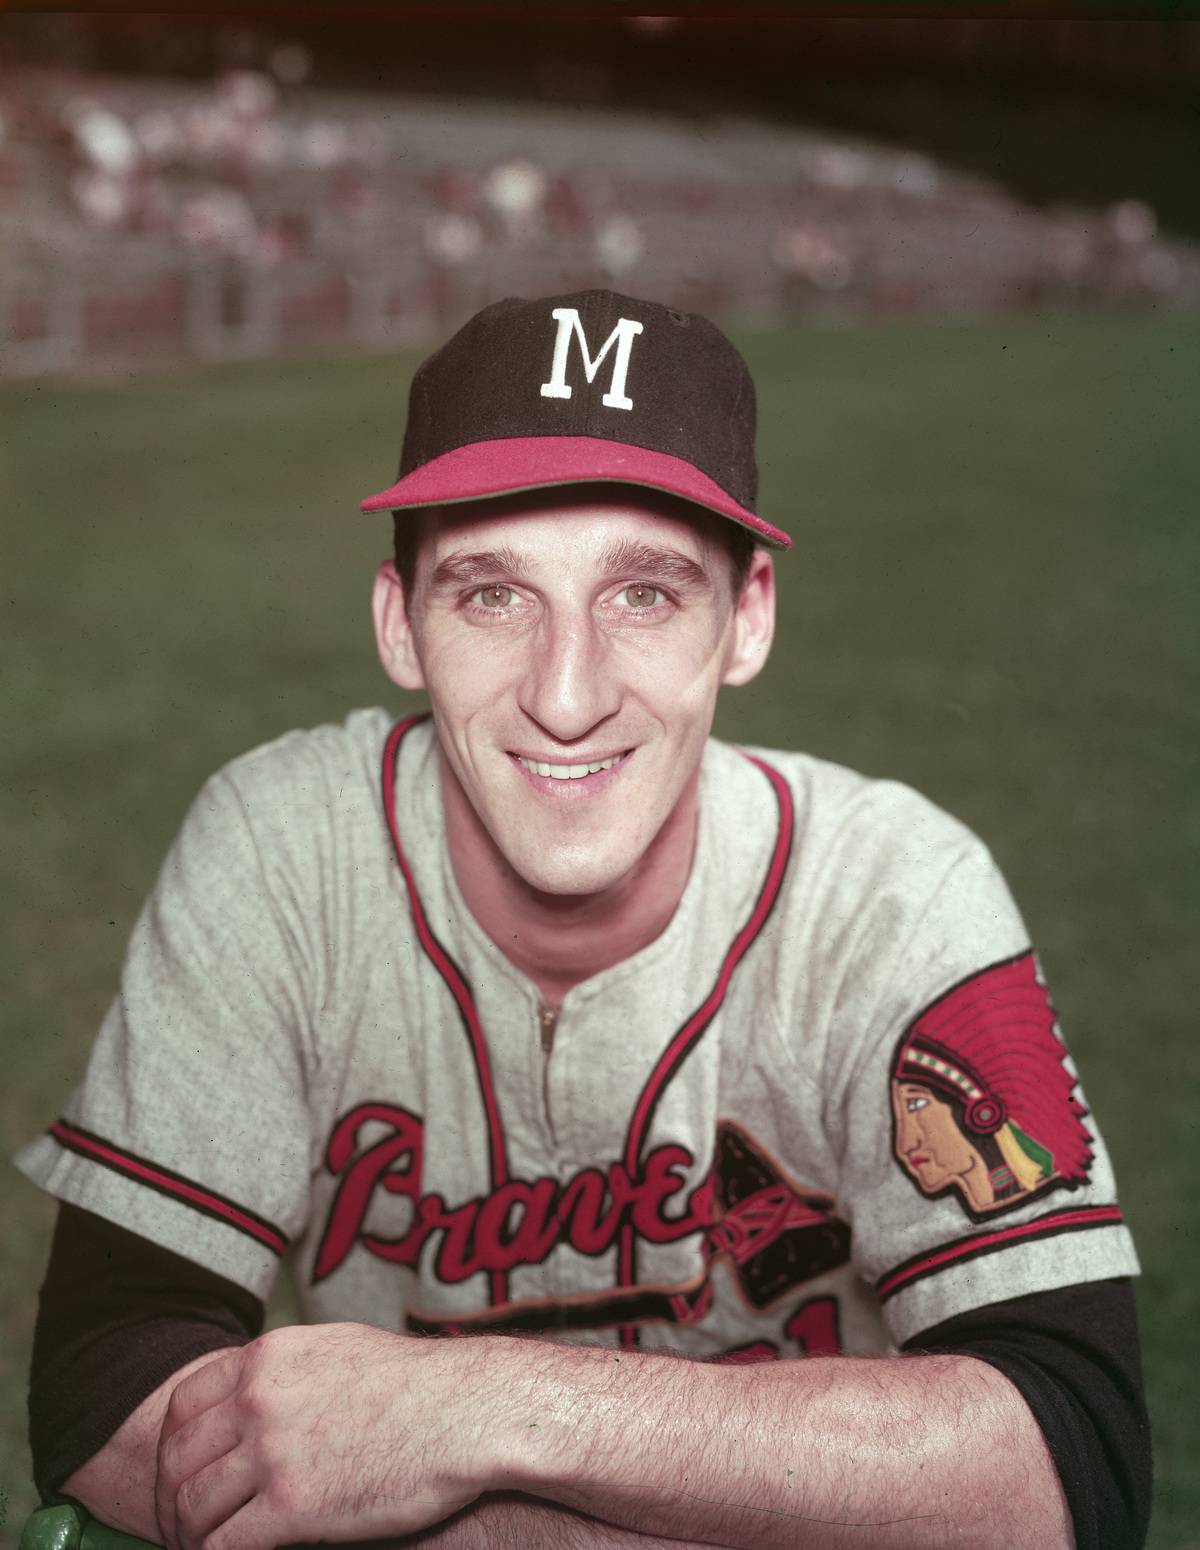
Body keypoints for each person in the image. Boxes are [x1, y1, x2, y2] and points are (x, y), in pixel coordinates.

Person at [17, 289, 1150, 1550]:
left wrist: (473, 1413)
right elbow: (104, 1385)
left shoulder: (897, 888)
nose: (567, 694)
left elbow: (1070, 1455)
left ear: (750, 616)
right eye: (492, 594)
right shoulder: (283, 848)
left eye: (646, 595)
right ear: (400, 622)